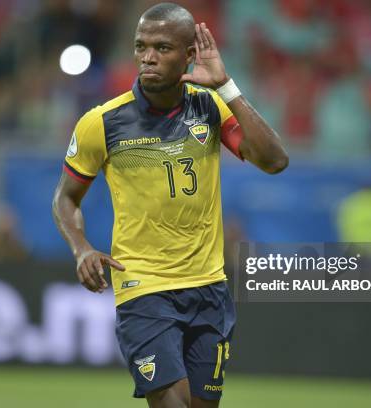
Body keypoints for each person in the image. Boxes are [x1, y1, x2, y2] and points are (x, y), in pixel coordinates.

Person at [52, 3, 288, 407]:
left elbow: (274, 160)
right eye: (141, 46)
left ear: (190, 55)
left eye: (162, 47)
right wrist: (81, 249)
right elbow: (65, 198)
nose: (148, 56)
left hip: (208, 288)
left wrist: (226, 86)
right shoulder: (102, 123)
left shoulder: (209, 107)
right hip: (144, 287)